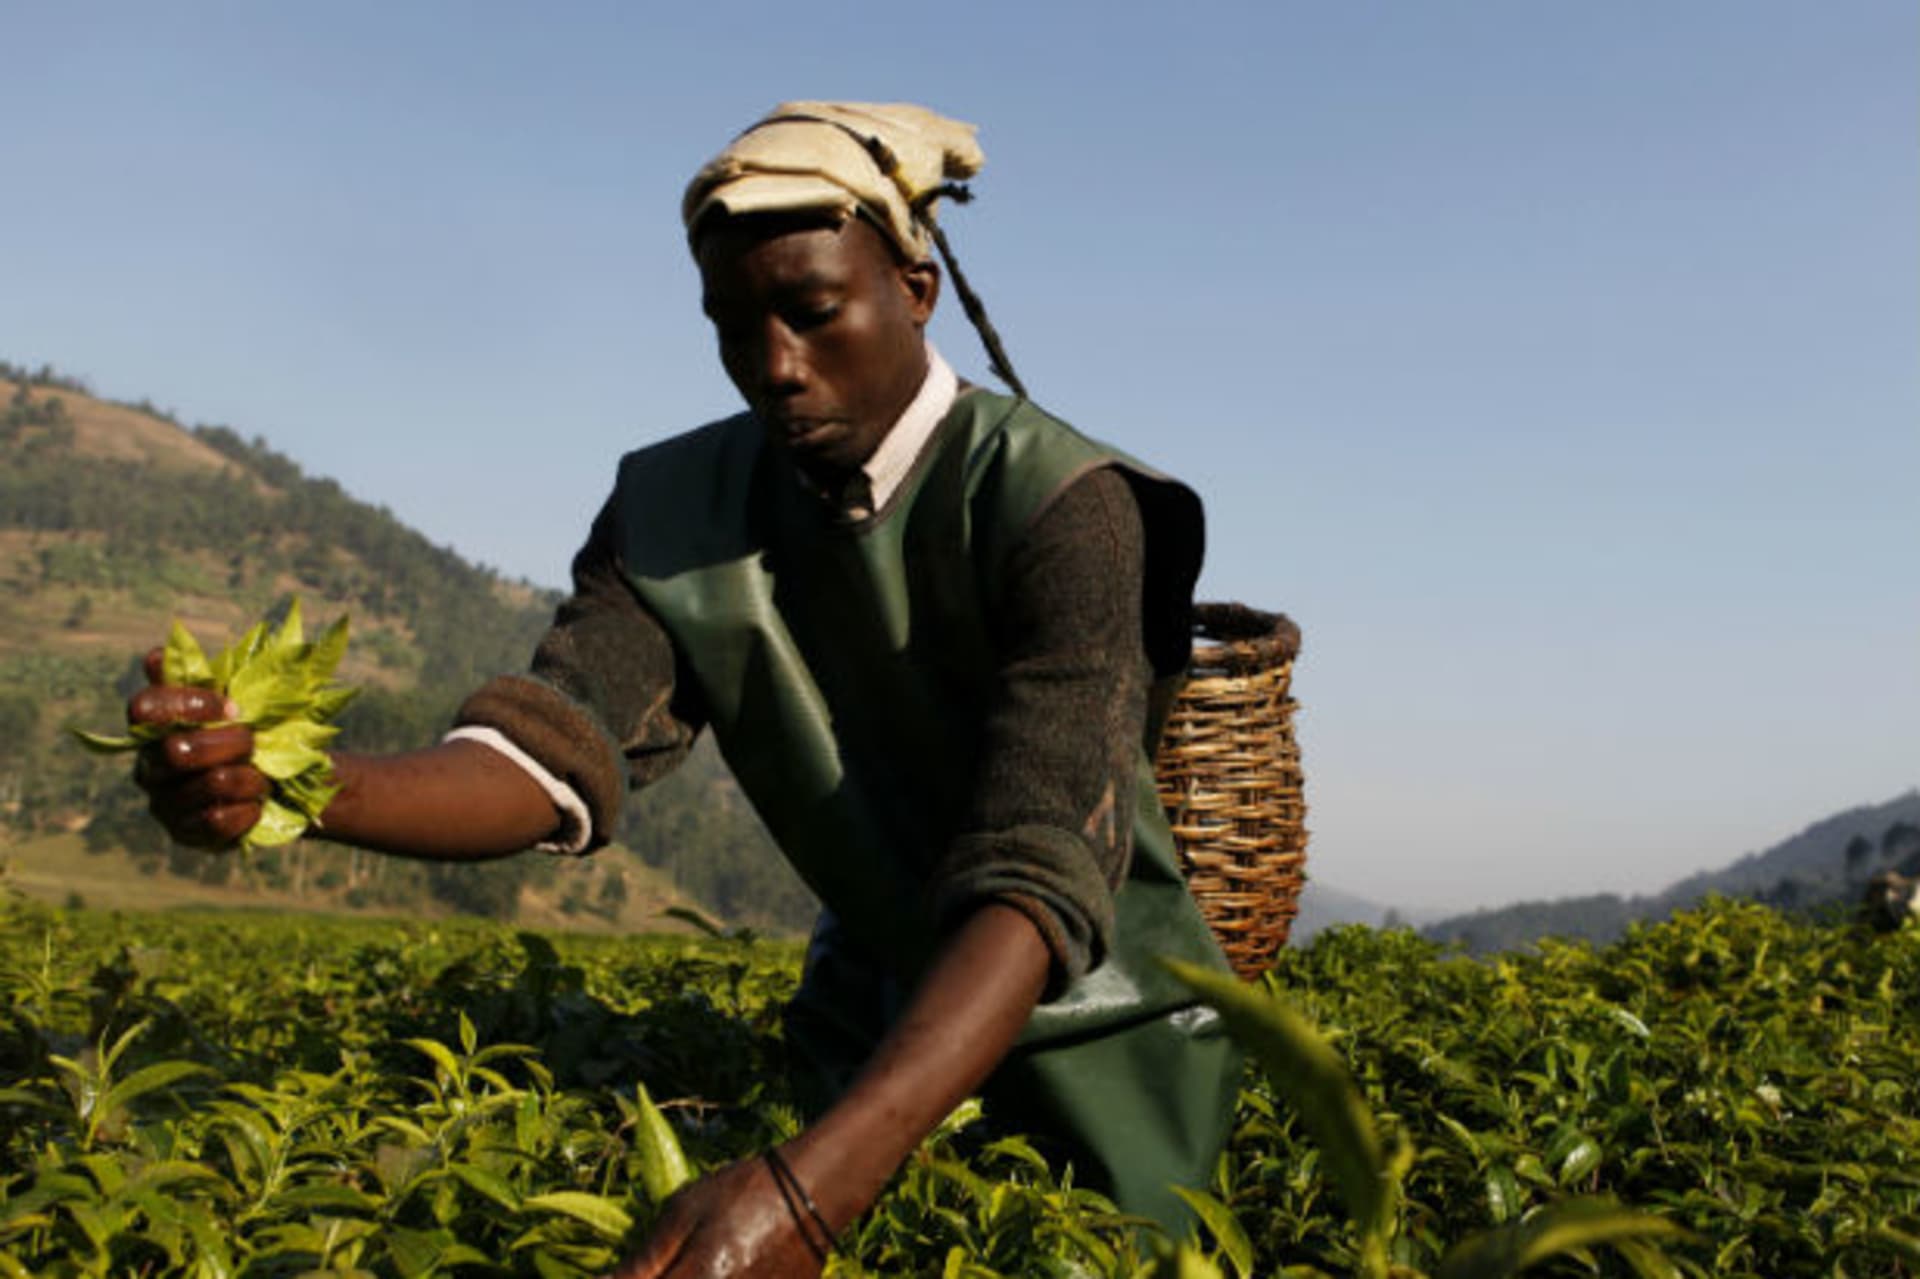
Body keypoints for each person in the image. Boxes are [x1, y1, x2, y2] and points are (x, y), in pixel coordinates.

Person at [130, 101, 1242, 1277]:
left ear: (914, 289)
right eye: (732, 324)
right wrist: (299, 780)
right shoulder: (678, 507)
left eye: (814, 313)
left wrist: (812, 1195)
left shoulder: (1065, 506)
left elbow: (1038, 865)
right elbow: (550, 747)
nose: (773, 365)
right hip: (866, 1023)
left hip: (1105, 1041)